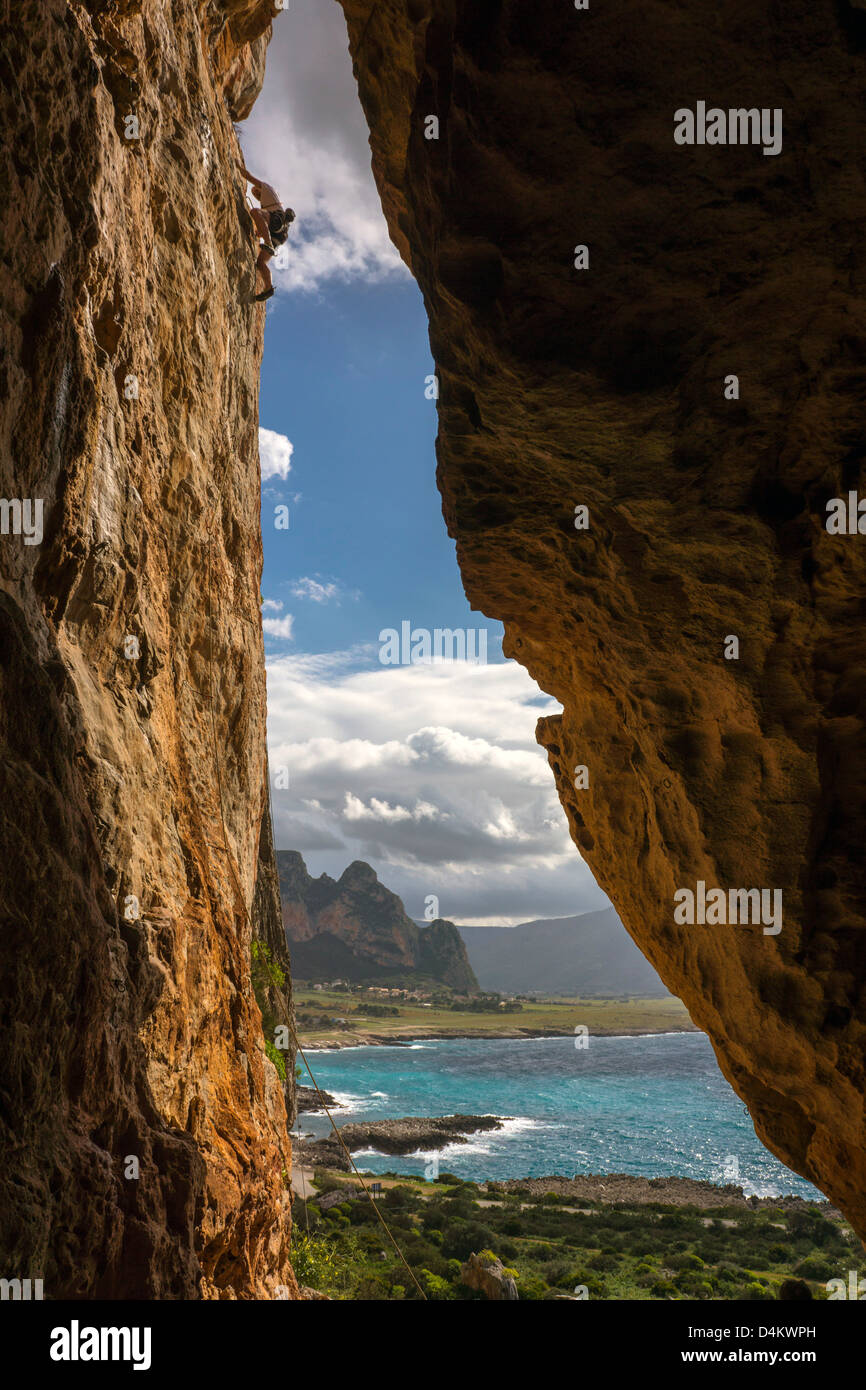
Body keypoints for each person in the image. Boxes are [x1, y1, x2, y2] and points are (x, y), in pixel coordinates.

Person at [240, 164, 295, 302]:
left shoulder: (268, 190)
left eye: (257, 192)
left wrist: (237, 167)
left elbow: (248, 177)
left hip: (277, 221)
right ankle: (268, 288)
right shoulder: (268, 202)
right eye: (255, 195)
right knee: (260, 262)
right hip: (279, 235)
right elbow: (264, 222)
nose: (257, 196)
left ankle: (268, 242)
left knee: (255, 212)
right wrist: (262, 231)